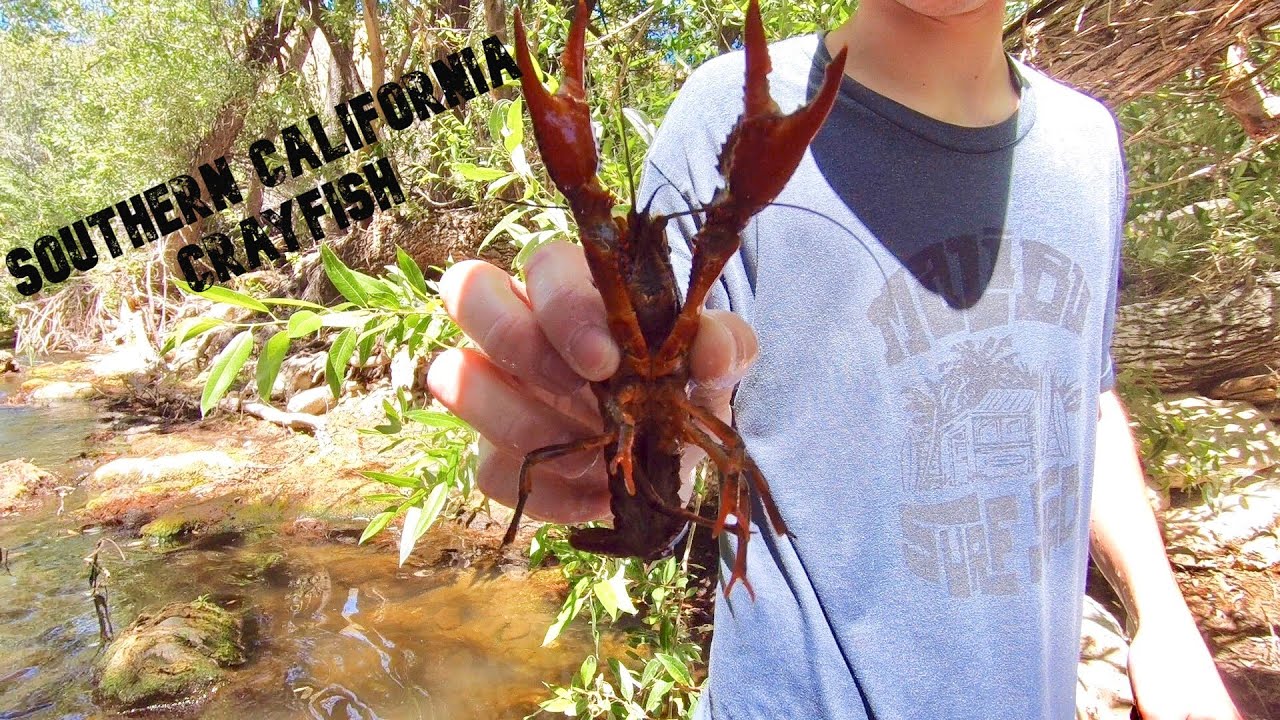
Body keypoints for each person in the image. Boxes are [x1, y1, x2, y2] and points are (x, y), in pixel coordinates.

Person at [426, 0, 1244, 718]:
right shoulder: (726, 109)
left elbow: (1080, 401)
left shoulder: (1089, 146)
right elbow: (705, 393)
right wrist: (572, 390)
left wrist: (1164, 615)